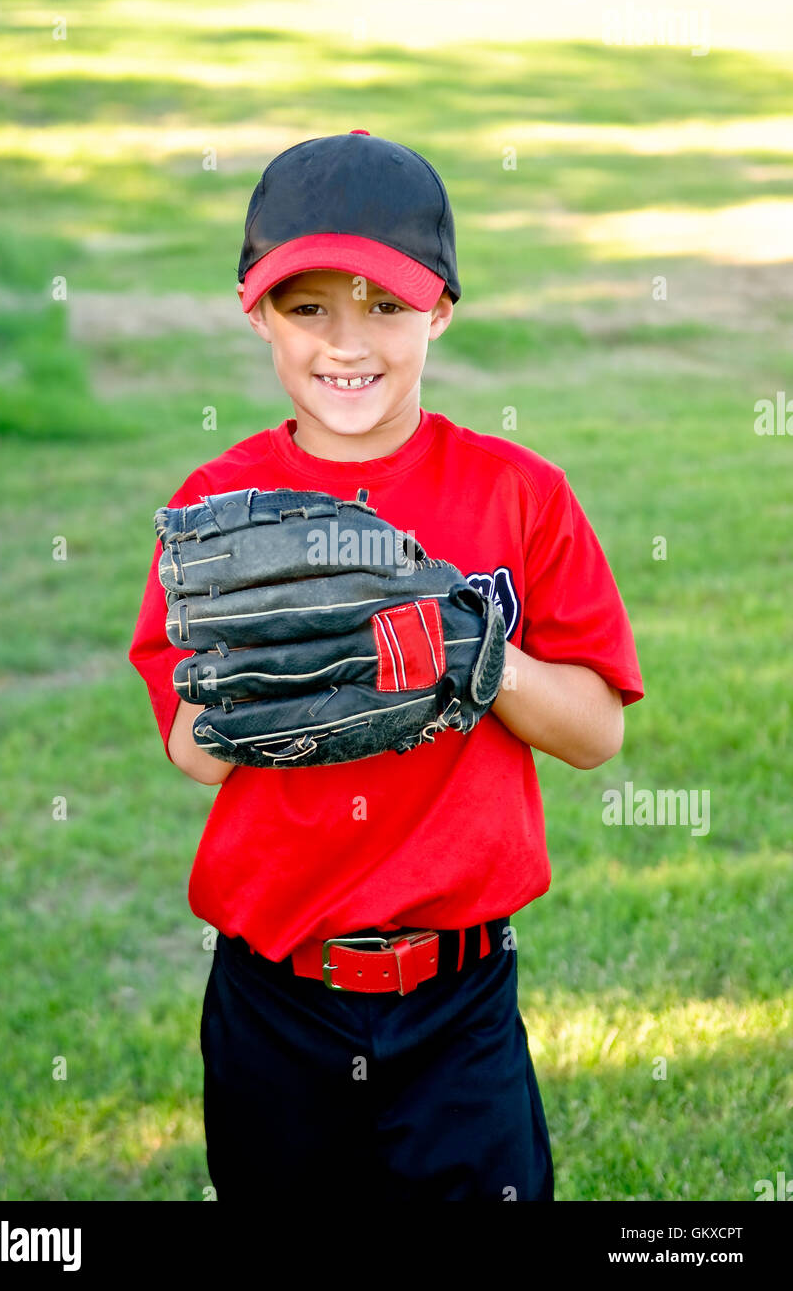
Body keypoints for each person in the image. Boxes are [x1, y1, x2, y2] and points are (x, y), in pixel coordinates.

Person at [128, 129, 645, 1201]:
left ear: (440, 310)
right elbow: (190, 753)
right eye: (307, 306)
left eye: (383, 305)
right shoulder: (217, 509)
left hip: (459, 1002)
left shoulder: (518, 493)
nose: (345, 342)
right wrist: (272, 678)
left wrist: (473, 653)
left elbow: (596, 732)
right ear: (253, 308)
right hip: (277, 995)